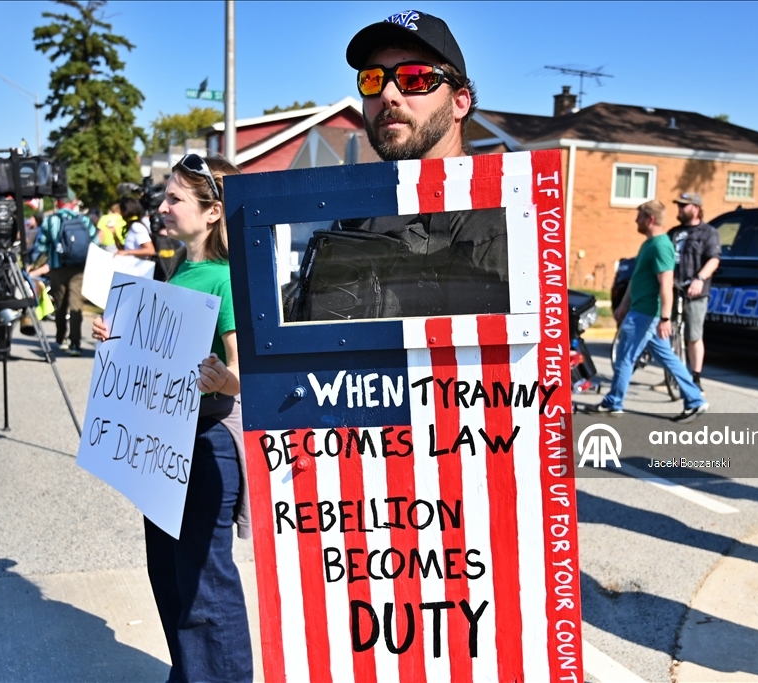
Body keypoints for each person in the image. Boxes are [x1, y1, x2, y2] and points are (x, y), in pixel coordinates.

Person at [92, 154, 253, 682]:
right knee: (170, 576)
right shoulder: (182, 269)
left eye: (175, 198)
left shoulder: (225, 278)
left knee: (205, 585)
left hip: (208, 442)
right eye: (165, 196)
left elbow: (243, 372)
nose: (162, 206)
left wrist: (218, 379)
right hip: (169, 441)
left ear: (212, 212)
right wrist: (116, 338)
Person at [287, 9, 508, 321]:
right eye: (373, 80)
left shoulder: (502, 215)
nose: (388, 94)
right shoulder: (353, 216)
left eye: (415, 77)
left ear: (459, 102)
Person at [594, 199, 709, 422]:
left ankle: (613, 402)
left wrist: (665, 318)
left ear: (651, 219)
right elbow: (636, 279)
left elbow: (666, 284)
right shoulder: (648, 244)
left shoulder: (661, 246)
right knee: (667, 358)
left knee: (625, 357)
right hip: (640, 311)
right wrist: (624, 305)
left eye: (639, 216)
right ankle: (695, 400)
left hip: (646, 314)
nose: (636, 220)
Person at [28, 198, 96, 356]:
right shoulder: (84, 220)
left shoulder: (51, 220)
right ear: (73, 203)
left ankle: (61, 338)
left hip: (58, 268)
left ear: (58, 204)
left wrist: (34, 263)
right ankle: (75, 344)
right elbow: (95, 242)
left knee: (61, 304)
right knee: (76, 305)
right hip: (79, 268)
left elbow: (42, 245)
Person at [668, 192, 720, 391]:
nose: (680, 209)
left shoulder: (708, 232)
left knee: (693, 335)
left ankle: (695, 377)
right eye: (679, 206)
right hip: (673, 290)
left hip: (695, 292)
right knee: (668, 332)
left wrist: (699, 279)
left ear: (696, 208)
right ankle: (671, 373)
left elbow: (714, 259)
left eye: (684, 206)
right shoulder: (673, 233)